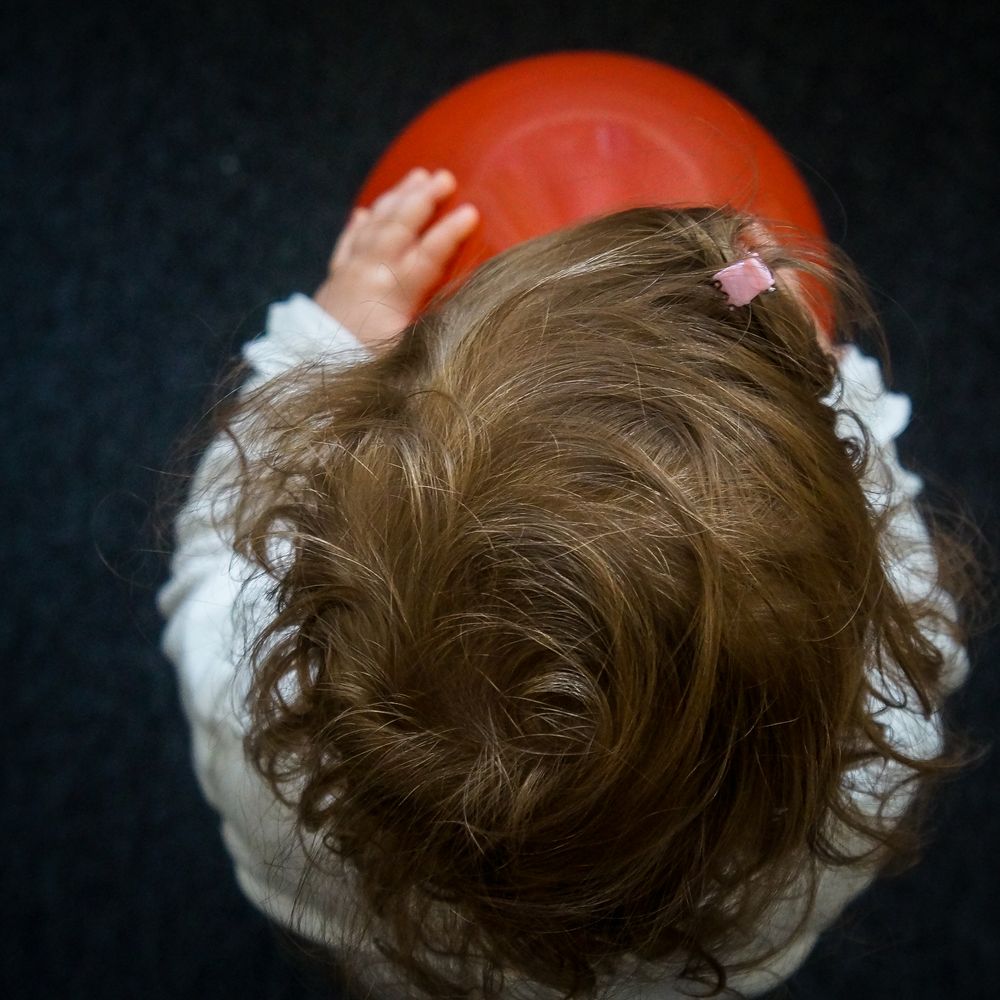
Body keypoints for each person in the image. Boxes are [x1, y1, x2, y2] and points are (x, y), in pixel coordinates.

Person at [156, 166, 977, 999]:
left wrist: (318, 341)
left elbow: (210, 558)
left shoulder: (252, 717)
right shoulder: (878, 744)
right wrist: (836, 389)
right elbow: (894, 549)